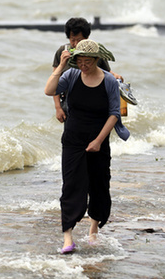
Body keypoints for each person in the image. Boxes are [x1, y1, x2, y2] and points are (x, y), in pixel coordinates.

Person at [44, 39, 130, 254]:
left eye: (87, 61)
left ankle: (93, 230)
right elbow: (48, 90)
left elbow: (114, 114)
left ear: (96, 60)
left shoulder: (109, 81)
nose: (83, 65)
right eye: (79, 61)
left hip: (98, 139)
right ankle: (68, 237)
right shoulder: (71, 75)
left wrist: (99, 141)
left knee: (99, 185)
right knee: (71, 186)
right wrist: (62, 66)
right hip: (73, 140)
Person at [52, 18, 122, 123]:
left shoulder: (95, 53)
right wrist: (58, 108)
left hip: (93, 101)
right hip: (69, 101)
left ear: (87, 38)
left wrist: (115, 76)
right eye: (72, 40)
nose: (75, 44)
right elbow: (54, 80)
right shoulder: (62, 52)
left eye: (79, 40)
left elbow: (106, 72)